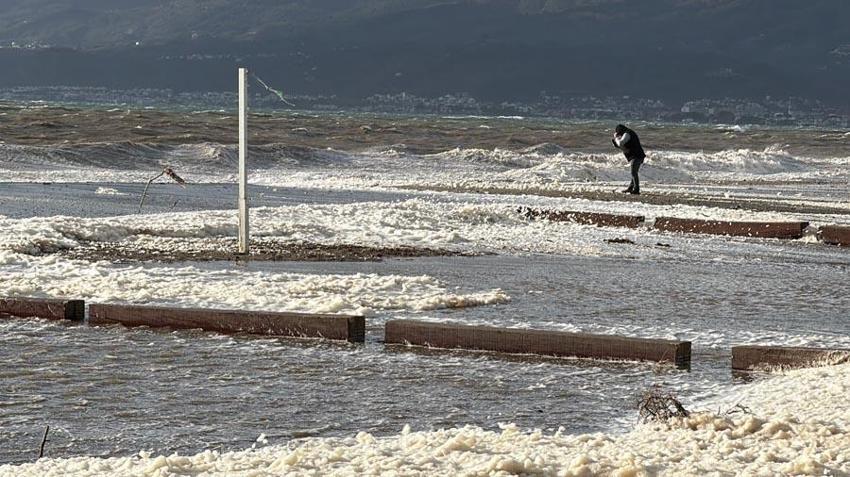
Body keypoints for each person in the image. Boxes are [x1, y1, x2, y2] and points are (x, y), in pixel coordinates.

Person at [611, 124, 646, 194]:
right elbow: (622, 147)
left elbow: (620, 143)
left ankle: (636, 189)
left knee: (633, 172)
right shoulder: (629, 133)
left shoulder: (627, 133)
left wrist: (616, 138)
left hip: (637, 156)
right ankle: (630, 188)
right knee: (634, 172)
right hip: (638, 155)